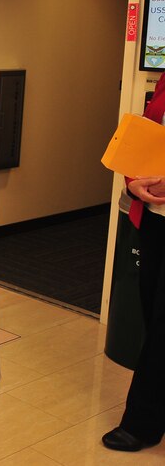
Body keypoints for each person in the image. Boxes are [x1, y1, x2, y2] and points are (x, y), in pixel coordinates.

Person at [101, 73, 165, 452]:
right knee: (151, 313)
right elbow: (146, 137)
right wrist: (132, 181)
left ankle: (141, 422)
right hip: (155, 219)